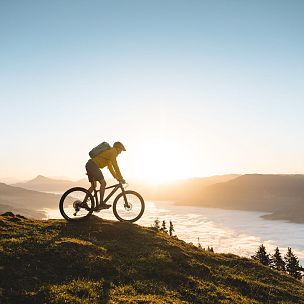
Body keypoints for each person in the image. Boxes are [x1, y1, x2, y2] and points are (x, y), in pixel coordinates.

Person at [85, 141, 126, 210]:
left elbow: (111, 168)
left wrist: (117, 178)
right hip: (93, 165)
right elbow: (115, 166)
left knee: (93, 186)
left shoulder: (110, 153)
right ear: (118, 148)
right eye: (121, 150)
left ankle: (83, 203)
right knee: (103, 183)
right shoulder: (113, 152)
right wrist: (121, 178)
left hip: (90, 165)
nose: (120, 152)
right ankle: (101, 203)